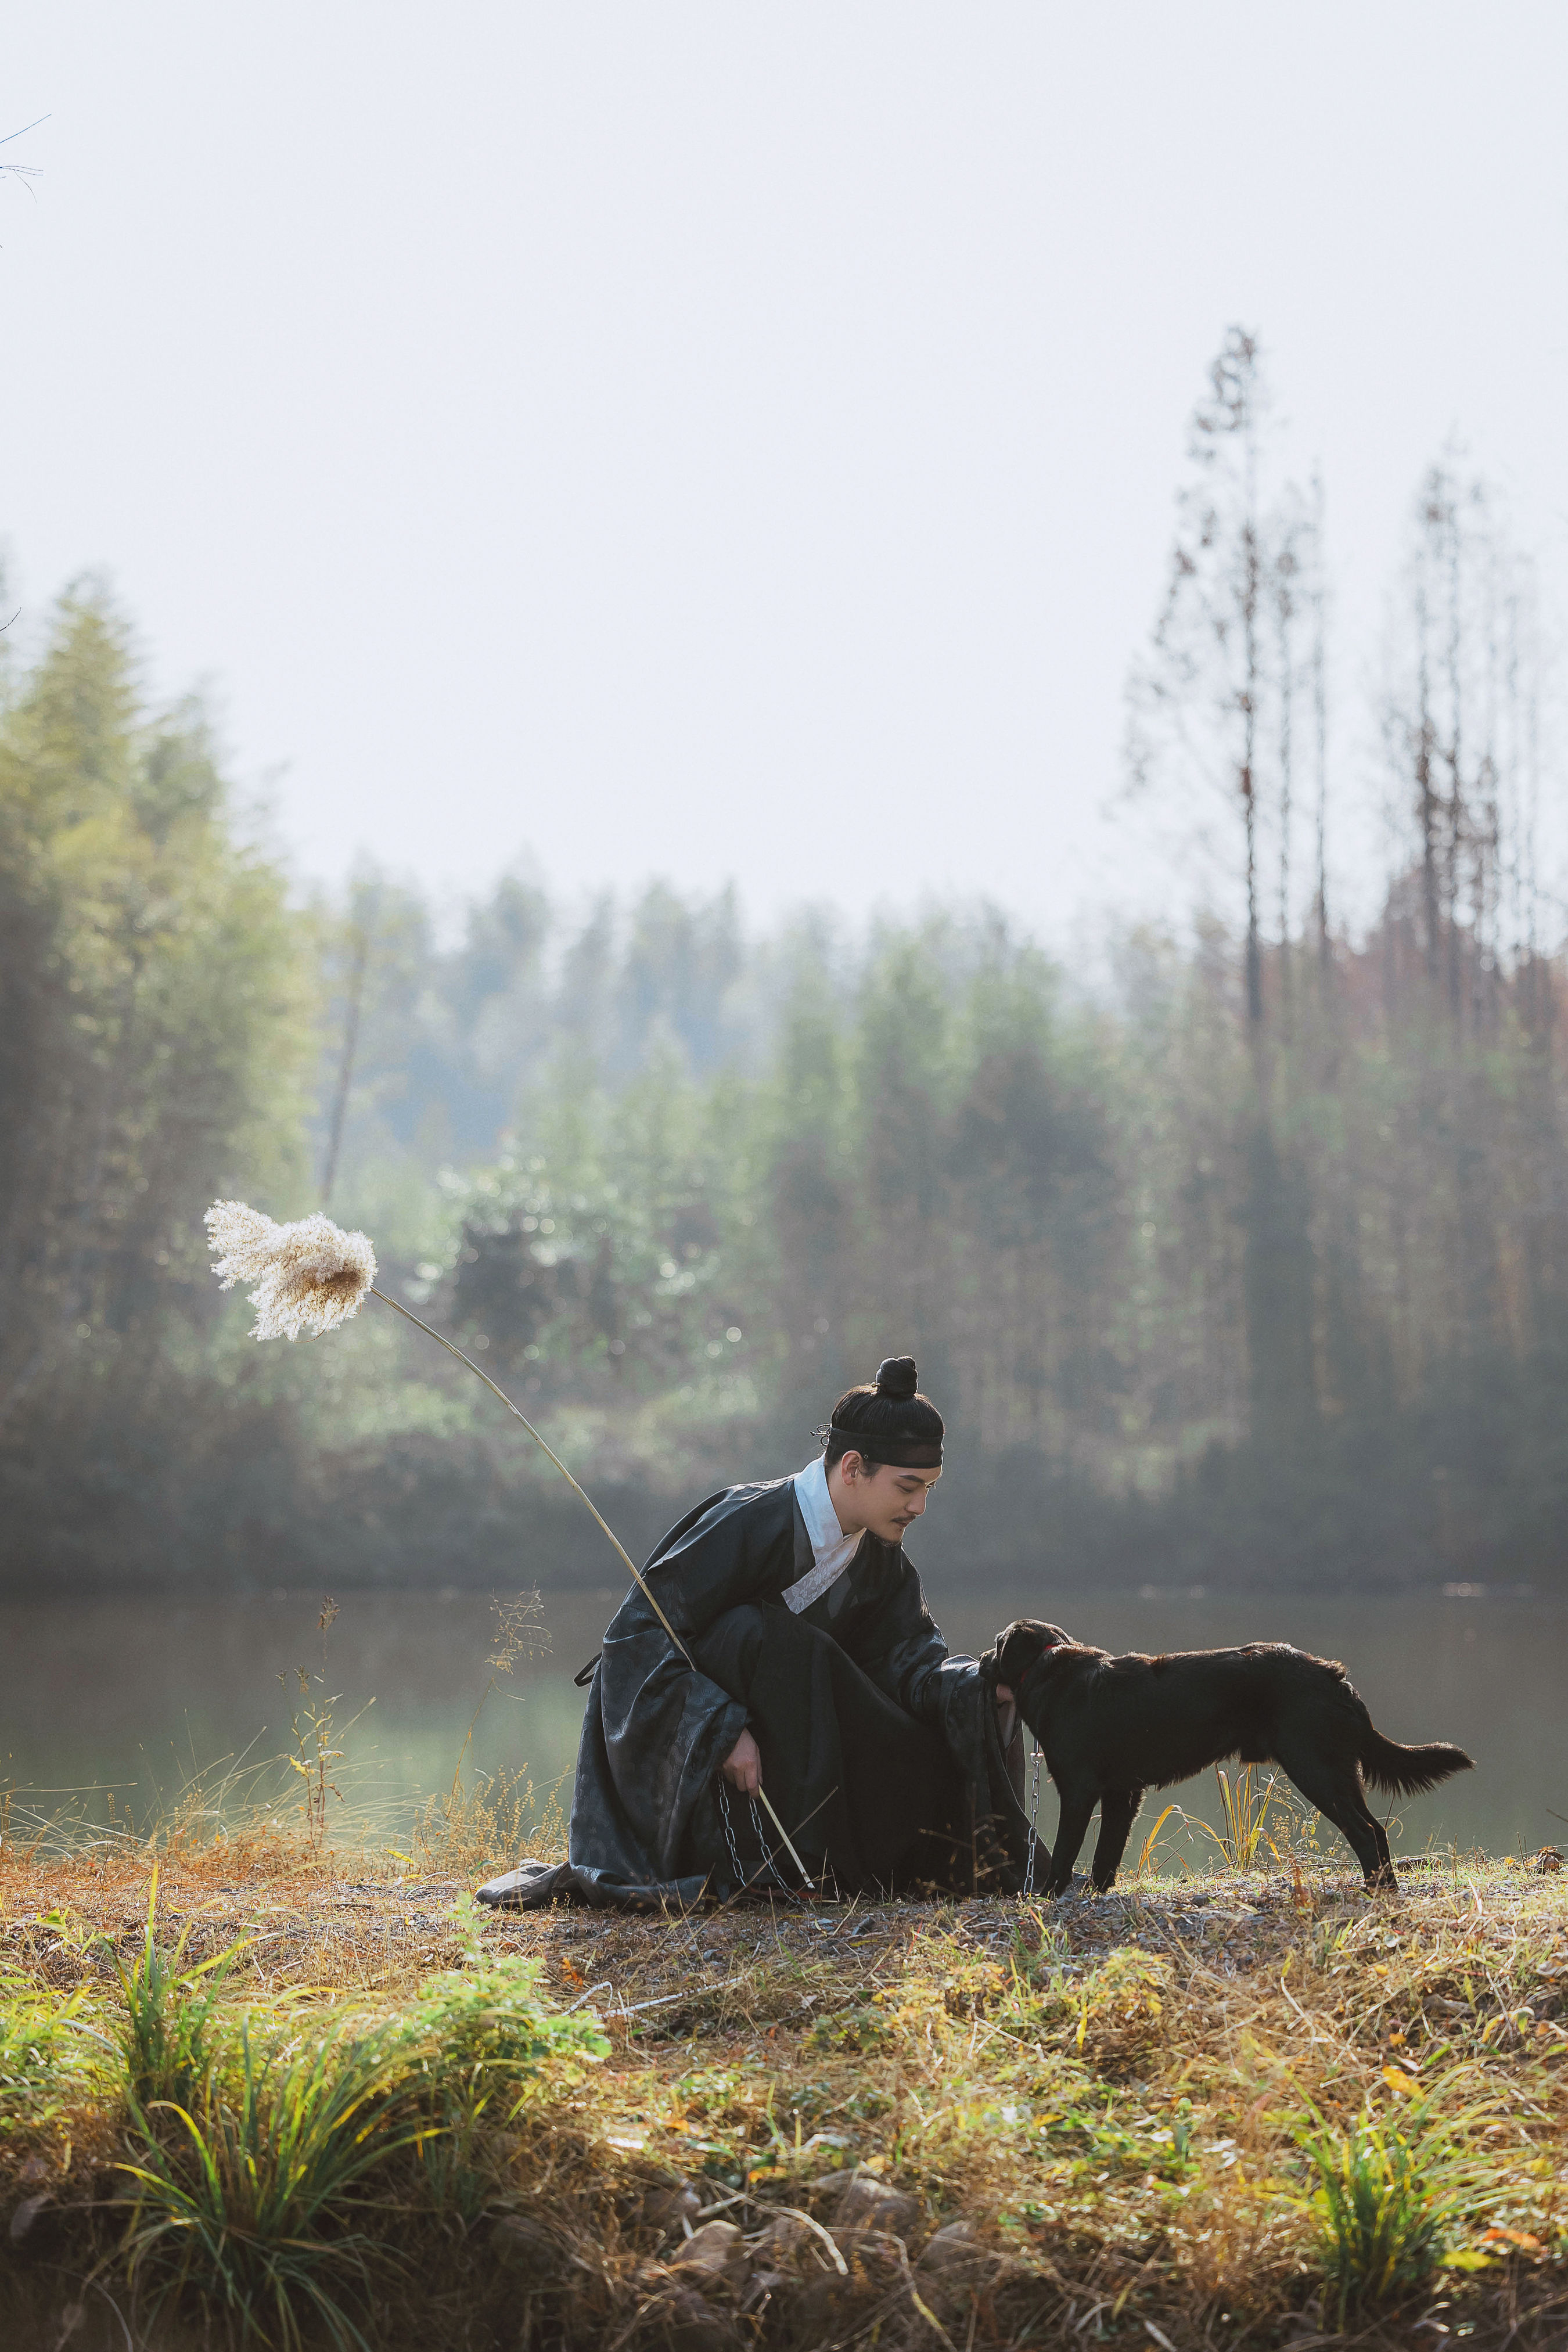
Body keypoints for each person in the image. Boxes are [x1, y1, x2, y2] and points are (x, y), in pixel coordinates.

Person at [477, 1357, 1032, 1910]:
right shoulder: (745, 1519)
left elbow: (907, 1661)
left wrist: (983, 1687)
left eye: (929, 1488)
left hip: (787, 1750)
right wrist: (718, 1728)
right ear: (853, 1467)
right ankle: (748, 1860)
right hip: (693, 1747)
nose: (920, 1506)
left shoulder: (881, 1561)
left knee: (922, 1727)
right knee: (757, 1633)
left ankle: (822, 1863)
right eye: (908, 1487)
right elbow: (636, 1638)